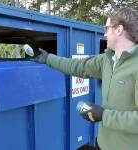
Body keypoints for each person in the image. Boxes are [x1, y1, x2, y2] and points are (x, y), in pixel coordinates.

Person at [31, 7, 138, 150]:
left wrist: (103, 115)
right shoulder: (106, 60)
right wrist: (48, 58)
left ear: (119, 29)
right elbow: (77, 66)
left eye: (107, 28)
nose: (105, 34)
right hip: (103, 144)